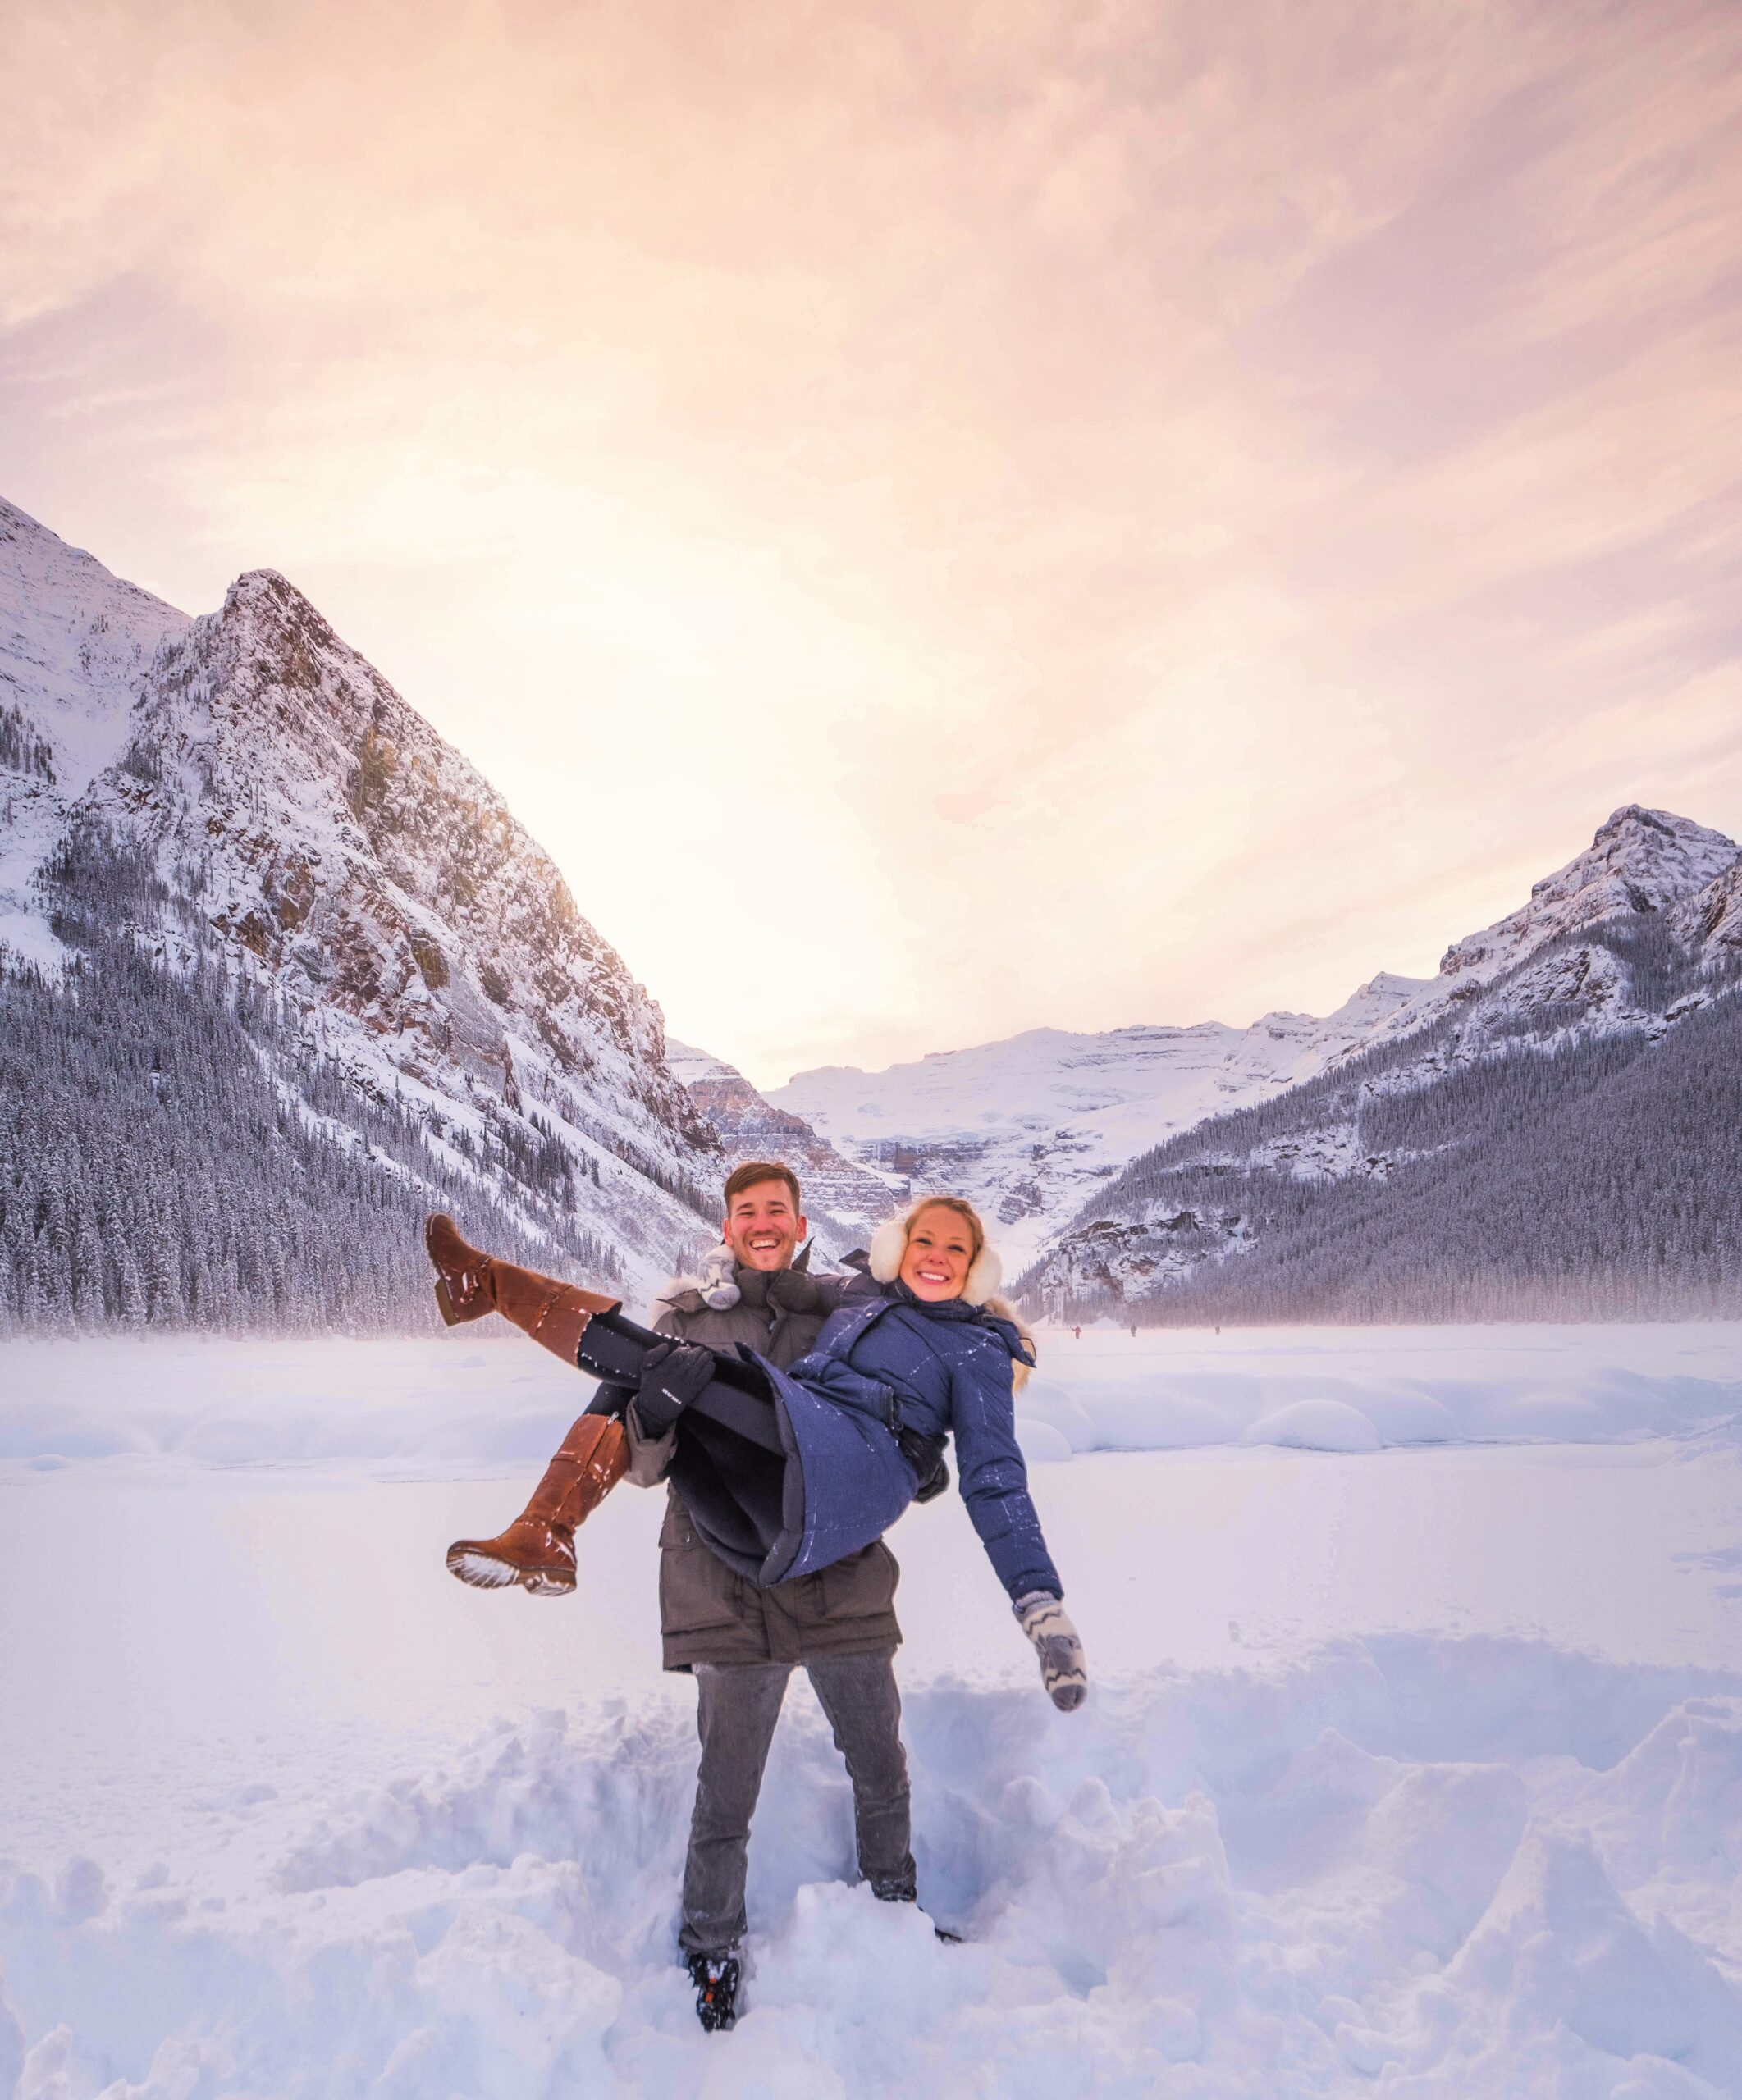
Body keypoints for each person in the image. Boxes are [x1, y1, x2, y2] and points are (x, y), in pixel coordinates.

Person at [425, 1176, 1087, 2026]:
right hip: (738, 1536)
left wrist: (1037, 1602)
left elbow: (991, 1475)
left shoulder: (916, 1324)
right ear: (725, 1226)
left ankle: (893, 1911)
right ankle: (710, 1944)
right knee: (724, 1781)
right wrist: (659, 1415)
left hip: (832, 1534)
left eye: (953, 1248)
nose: (933, 1256)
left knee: (878, 1763)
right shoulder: (770, 1308)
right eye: (922, 1241)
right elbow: (645, 1461)